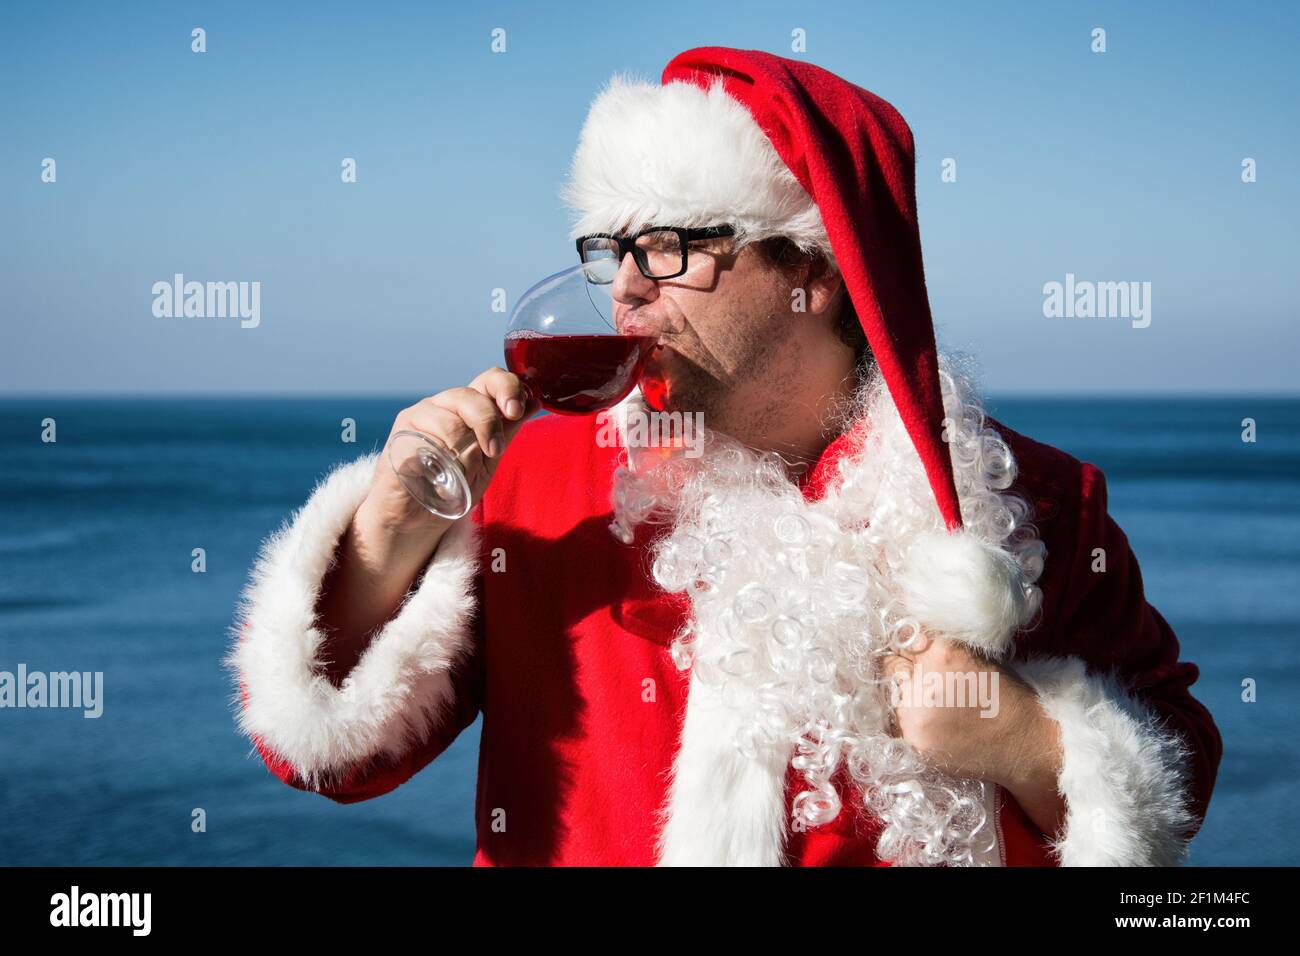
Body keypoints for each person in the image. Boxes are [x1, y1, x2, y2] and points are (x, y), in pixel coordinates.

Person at [225, 46, 1221, 866]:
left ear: (814, 272)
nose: (624, 292)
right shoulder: (544, 477)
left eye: (668, 247)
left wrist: (1023, 738)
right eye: (609, 253)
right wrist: (385, 540)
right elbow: (328, 757)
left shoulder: (1029, 503)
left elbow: (1177, 773)